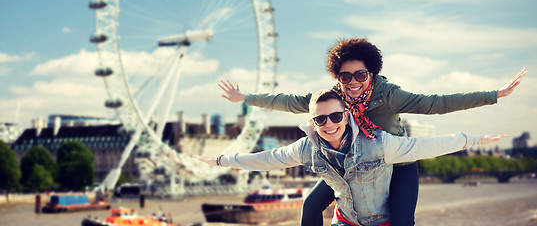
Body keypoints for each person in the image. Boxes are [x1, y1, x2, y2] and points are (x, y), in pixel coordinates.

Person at [218, 37, 527, 226]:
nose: (352, 82)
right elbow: (289, 101)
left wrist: (495, 94)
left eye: (360, 75)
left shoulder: (388, 94)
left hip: (396, 162)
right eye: (345, 76)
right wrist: (244, 98)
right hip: (354, 163)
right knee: (311, 206)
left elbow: (437, 104)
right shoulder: (332, 98)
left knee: (402, 221)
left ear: (372, 74)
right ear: (337, 77)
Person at [195, 89, 508, 226]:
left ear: (346, 116)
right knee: (309, 206)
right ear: (312, 122)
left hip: (383, 221)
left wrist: (474, 140)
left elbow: (427, 145)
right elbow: (267, 158)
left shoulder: (379, 144)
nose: (328, 125)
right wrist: (222, 160)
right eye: (320, 120)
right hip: (346, 221)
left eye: (334, 117)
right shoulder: (307, 148)